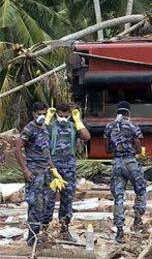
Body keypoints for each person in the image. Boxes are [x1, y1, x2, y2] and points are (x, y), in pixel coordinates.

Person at [43, 103, 90, 241]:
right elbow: (39, 136)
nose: (63, 118)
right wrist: (47, 120)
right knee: (48, 199)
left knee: (67, 200)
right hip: (52, 168)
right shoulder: (51, 126)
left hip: (69, 168)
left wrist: (78, 121)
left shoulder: (73, 126)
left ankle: (64, 230)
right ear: (56, 114)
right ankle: (44, 230)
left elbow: (86, 137)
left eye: (66, 116)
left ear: (69, 114)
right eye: (60, 115)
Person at [104, 101, 146, 243]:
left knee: (118, 196)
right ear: (128, 112)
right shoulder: (133, 125)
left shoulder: (109, 126)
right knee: (140, 190)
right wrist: (133, 150)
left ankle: (120, 231)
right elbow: (139, 147)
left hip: (116, 163)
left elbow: (107, 148)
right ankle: (138, 220)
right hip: (130, 162)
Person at [15, 102, 54, 246]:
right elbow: (17, 149)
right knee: (35, 204)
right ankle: (32, 238)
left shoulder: (44, 128)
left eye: (44, 113)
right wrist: (25, 169)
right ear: (33, 114)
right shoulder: (29, 129)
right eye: (39, 114)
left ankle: (40, 235)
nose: (42, 116)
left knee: (45, 204)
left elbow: (46, 150)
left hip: (45, 172)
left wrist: (53, 169)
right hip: (34, 172)